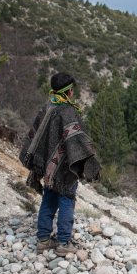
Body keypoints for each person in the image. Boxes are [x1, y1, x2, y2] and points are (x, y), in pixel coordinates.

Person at [19, 72, 101, 256]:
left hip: (48, 168)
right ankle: (64, 242)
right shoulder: (68, 111)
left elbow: (36, 138)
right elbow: (78, 142)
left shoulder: (47, 107)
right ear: (69, 91)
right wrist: (91, 164)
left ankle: (43, 240)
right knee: (66, 200)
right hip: (65, 168)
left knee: (48, 200)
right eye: (72, 89)